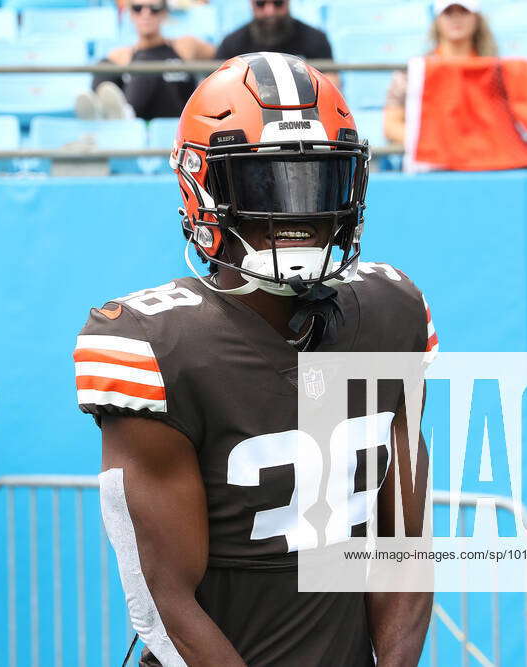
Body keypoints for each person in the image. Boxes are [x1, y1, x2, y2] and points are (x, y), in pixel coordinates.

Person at [74, 53, 435, 665]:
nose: (295, 215)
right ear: (202, 189)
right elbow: (163, 599)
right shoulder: (151, 341)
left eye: (316, 184)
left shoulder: (390, 311)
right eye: (265, 184)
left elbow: (401, 541)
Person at [383, 0, 497, 146]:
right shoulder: (415, 71)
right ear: (437, 19)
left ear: (476, 18)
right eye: (448, 12)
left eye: (464, 11)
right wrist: (435, 146)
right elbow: (391, 125)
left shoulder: (492, 70)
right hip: (431, 159)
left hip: (481, 156)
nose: (456, 18)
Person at [80, 0, 215, 121]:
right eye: (137, 8)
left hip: (178, 123)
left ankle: (126, 115)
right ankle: (103, 117)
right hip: (141, 124)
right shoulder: (122, 55)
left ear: (164, 13)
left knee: (146, 62)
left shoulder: (185, 46)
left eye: (154, 8)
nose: (146, 14)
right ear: (131, 14)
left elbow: (223, 56)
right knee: (107, 69)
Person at [216, 0, 335, 78]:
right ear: (251, 3)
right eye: (261, 3)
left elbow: (331, 85)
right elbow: (214, 87)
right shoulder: (232, 44)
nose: (270, 11)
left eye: (277, 3)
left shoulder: (315, 39)